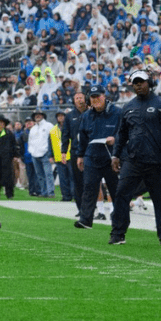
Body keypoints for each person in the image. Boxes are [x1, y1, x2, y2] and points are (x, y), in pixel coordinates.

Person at [109, 70, 161, 245]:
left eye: (141, 82)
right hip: (133, 160)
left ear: (150, 83)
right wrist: (115, 155)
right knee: (121, 195)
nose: (138, 85)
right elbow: (122, 133)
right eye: (135, 83)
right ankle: (118, 234)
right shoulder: (128, 106)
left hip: (157, 161)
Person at [74, 86, 122, 230]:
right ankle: (85, 219)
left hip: (111, 157)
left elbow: (124, 131)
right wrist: (80, 155)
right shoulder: (86, 116)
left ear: (104, 96)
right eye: (92, 97)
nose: (95, 100)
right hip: (92, 156)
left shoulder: (117, 113)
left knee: (116, 190)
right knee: (89, 187)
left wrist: (115, 139)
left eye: (98, 96)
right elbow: (82, 137)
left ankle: (119, 220)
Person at [61, 92, 87, 216]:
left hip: (90, 152)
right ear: (74, 100)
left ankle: (92, 207)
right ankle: (81, 208)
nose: (79, 100)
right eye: (77, 98)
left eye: (81, 97)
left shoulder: (91, 112)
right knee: (78, 181)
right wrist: (63, 152)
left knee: (91, 181)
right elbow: (65, 135)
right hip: (76, 152)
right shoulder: (70, 116)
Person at [28, 110, 55, 198]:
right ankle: (44, 192)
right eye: (36, 115)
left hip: (45, 153)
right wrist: (31, 151)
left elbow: (53, 140)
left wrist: (51, 153)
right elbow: (30, 141)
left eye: (39, 115)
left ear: (43, 116)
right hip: (35, 154)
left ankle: (51, 192)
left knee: (48, 174)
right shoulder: (33, 128)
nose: (37, 116)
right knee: (39, 175)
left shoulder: (49, 125)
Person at [51, 110, 73, 202]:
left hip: (69, 156)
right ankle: (66, 196)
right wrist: (51, 155)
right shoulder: (53, 130)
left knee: (72, 177)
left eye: (62, 116)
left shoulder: (70, 126)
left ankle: (75, 195)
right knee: (63, 179)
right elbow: (50, 143)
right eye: (58, 116)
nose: (60, 118)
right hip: (58, 157)